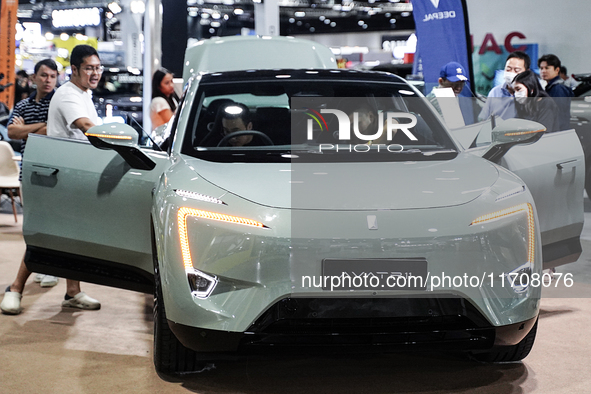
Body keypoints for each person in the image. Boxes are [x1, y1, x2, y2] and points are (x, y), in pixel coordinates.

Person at [0, 59, 61, 315]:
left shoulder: (59, 104)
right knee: (33, 224)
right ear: (34, 78)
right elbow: (12, 132)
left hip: (57, 172)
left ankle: (49, 272)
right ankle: (42, 270)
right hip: (29, 172)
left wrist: (27, 129)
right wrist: (38, 129)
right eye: (44, 75)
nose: (48, 80)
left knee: (55, 224)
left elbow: (51, 130)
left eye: (53, 76)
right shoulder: (24, 104)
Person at [45, 44, 103, 310]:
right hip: (63, 175)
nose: (95, 73)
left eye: (98, 68)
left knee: (70, 235)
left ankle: (72, 291)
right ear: (75, 69)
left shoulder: (83, 94)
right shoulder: (69, 95)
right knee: (50, 236)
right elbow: (86, 126)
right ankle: (16, 287)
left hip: (75, 173)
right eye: (89, 68)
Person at [479, 51, 531, 121]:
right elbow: (483, 118)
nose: (511, 73)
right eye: (508, 69)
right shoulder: (495, 92)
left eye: (516, 70)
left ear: (527, 72)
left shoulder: (532, 93)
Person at [538, 54, 573, 131]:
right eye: (541, 68)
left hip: (557, 132)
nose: (543, 71)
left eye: (547, 68)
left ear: (557, 70)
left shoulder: (558, 88)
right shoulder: (551, 87)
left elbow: (559, 115)